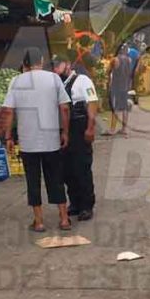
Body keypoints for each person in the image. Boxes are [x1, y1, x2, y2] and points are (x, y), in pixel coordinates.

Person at [0, 47, 72, 232]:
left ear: (25, 64)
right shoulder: (54, 78)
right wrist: (65, 132)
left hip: (28, 141)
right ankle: (64, 219)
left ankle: (39, 222)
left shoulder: (16, 81)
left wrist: (8, 136)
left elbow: (8, 111)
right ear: (41, 61)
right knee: (55, 179)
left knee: (33, 180)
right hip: (51, 140)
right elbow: (64, 108)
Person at [53, 55, 98, 221]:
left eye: (59, 65)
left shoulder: (82, 80)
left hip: (79, 126)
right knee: (66, 169)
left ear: (68, 65)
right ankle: (75, 202)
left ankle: (87, 205)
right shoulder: (57, 83)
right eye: (54, 67)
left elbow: (92, 102)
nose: (56, 69)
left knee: (81, 167)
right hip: (63, 128)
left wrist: (90, 127)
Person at [105, 46, 133, 136]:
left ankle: (112, 129)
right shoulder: (129, 60)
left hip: (116, 86)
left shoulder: (115, 60)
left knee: (115, 108)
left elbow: (108, 71)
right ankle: (124, 129)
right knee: (125, 108)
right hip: (125, 86)